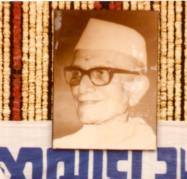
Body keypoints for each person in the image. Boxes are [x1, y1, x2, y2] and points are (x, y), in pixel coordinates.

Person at [53, 18, 155, 150]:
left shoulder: (149, 146)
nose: (81, 88)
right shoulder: (60, 148)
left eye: (100, 73)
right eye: (77, 73)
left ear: (136, 89)